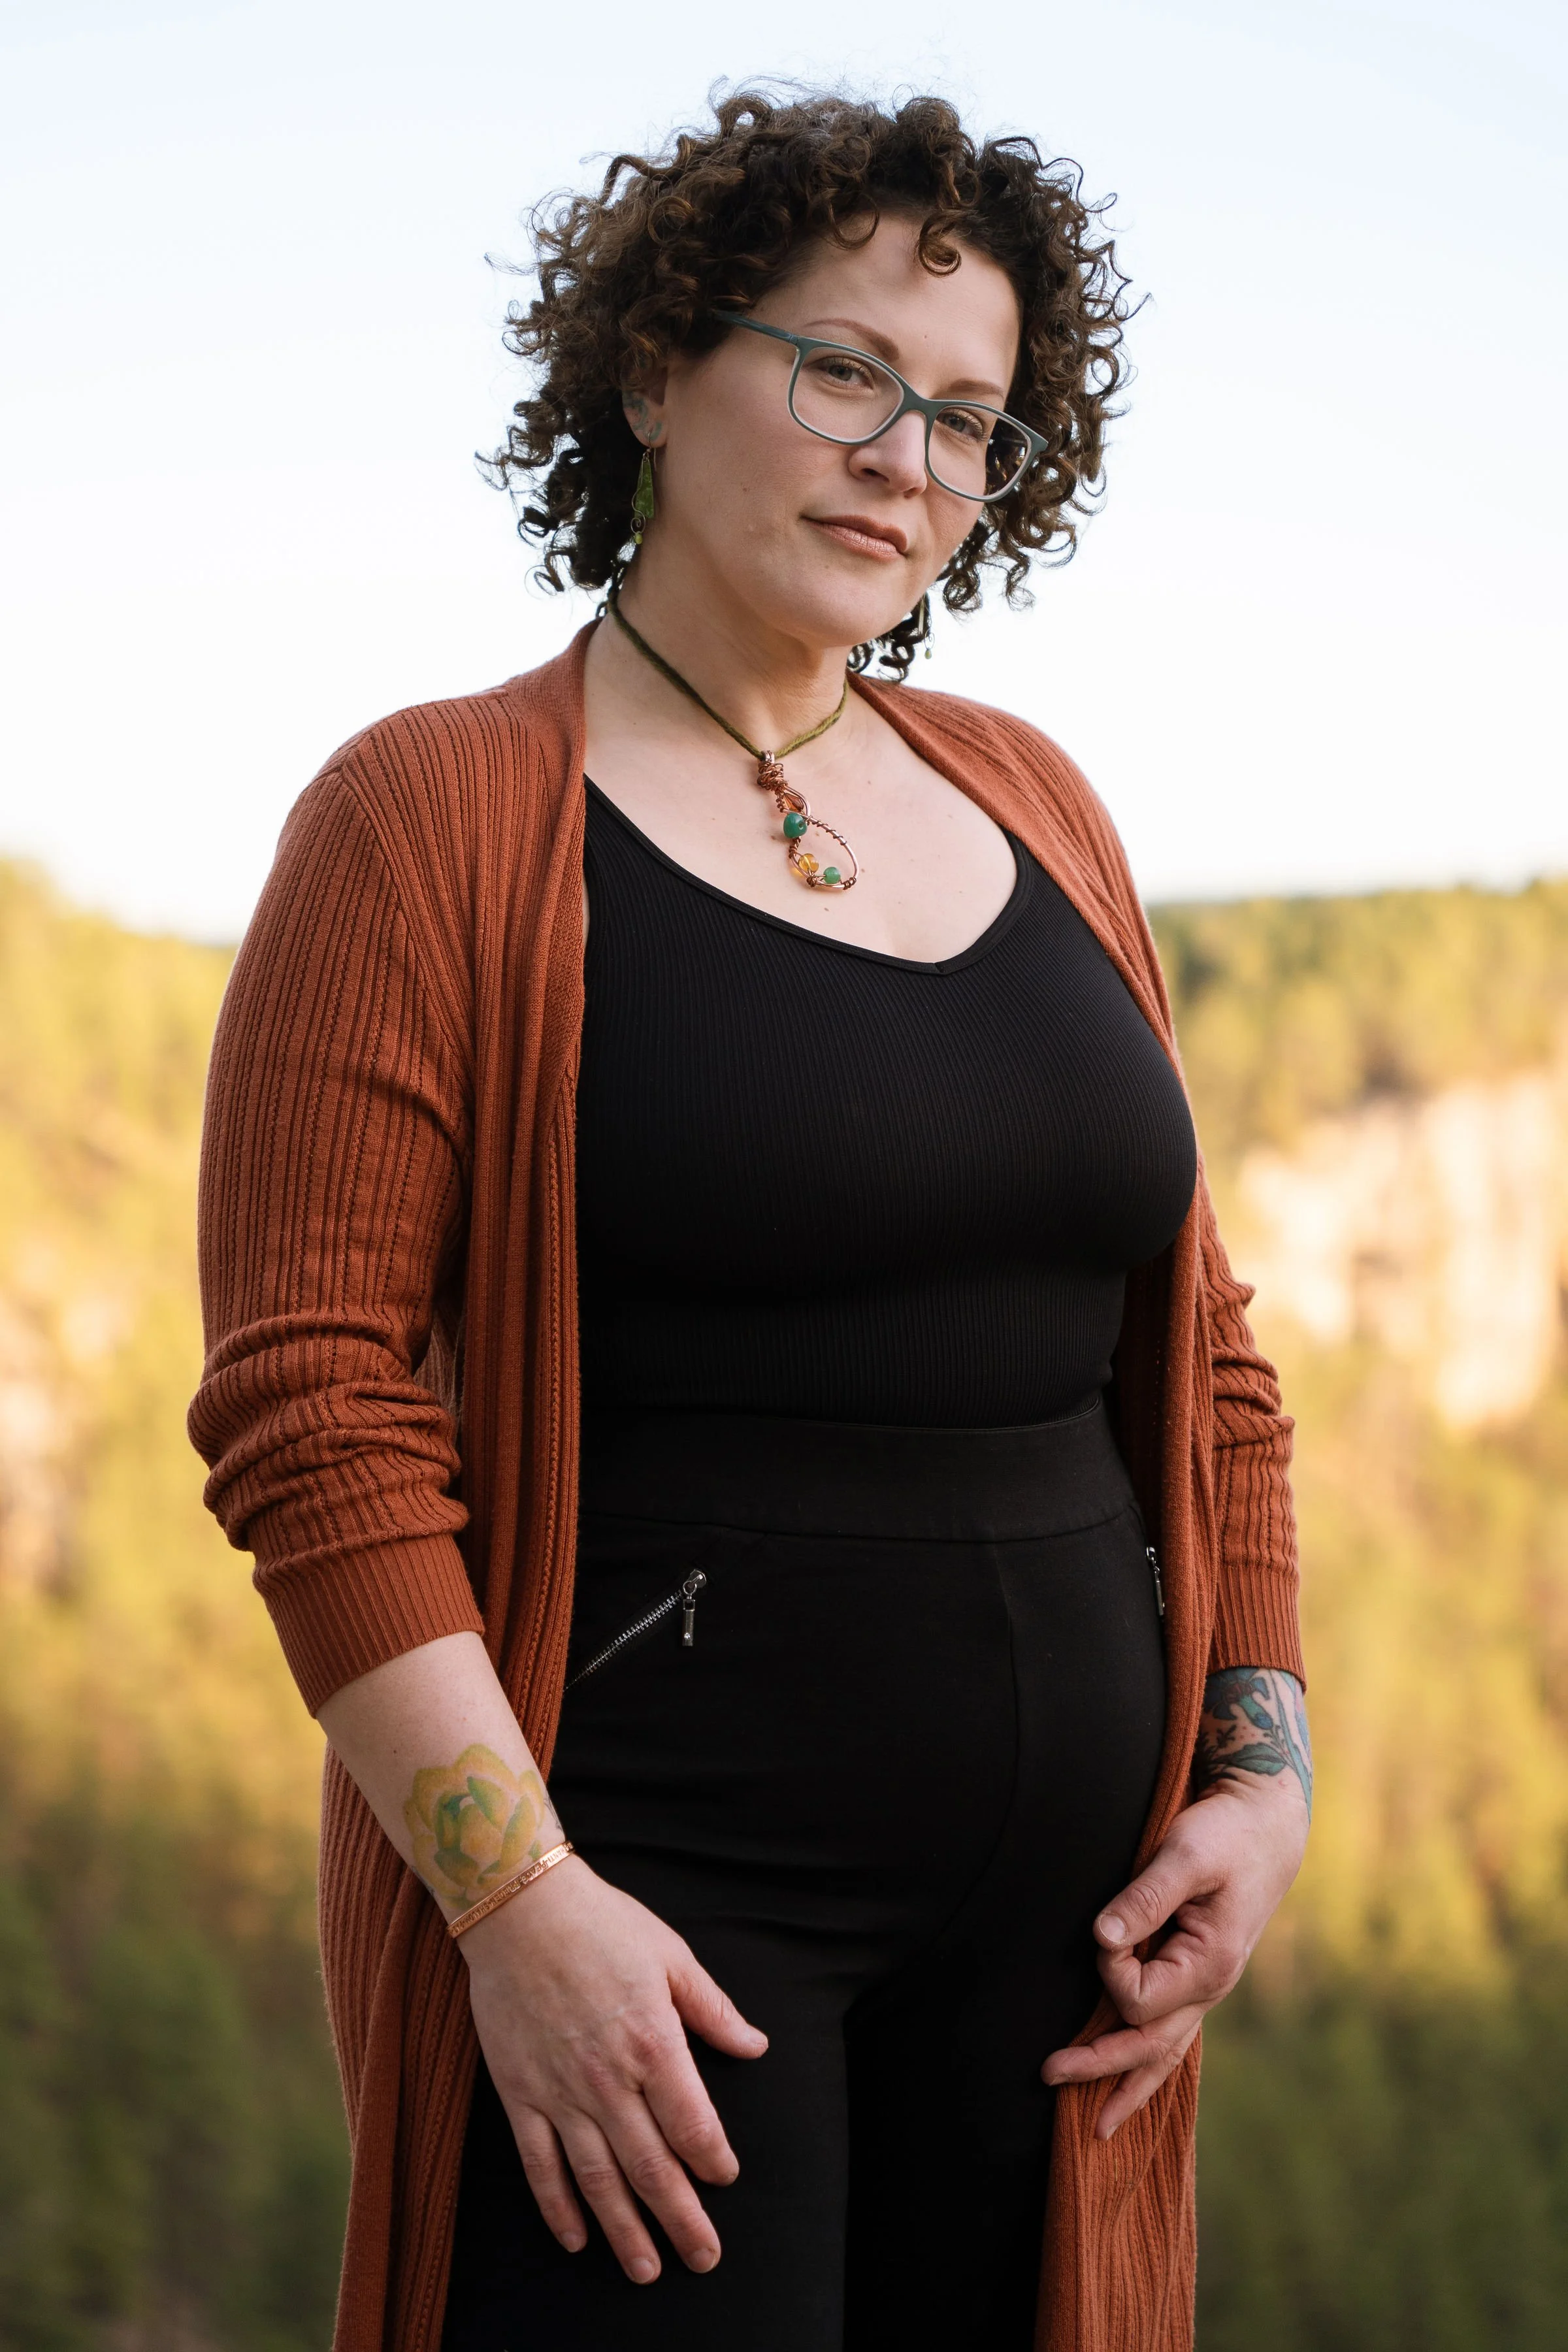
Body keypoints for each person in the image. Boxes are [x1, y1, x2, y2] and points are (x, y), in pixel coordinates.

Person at [189, 88, 1311, 2352]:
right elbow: (312, 1415)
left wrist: (1258, 1772)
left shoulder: (1039, 801)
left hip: (1070, 1950)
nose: (905, 455)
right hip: (651, 1939)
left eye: (970, 417)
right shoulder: (428, 819)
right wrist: (518, 1912)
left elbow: (1199, 1356)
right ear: (647, 370)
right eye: (842, 371)